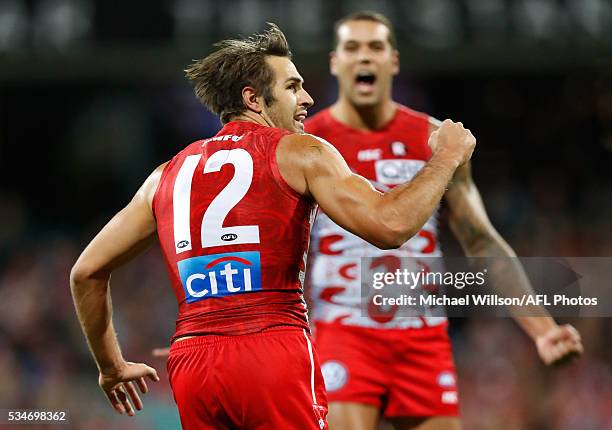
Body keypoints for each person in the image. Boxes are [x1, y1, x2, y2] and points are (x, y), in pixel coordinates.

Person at [70, 24, 476, 430]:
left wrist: (111, 367)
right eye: (293, 87)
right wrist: (446, 157)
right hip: (273, 350)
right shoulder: (300, 152)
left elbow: (85, 272)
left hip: (193, 363)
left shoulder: (165, 177)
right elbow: (391, 225)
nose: (308, 99)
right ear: (253, 98)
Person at [303, 11, 584, 430]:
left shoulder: (436, 139)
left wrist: (542, 329)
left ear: (393, 61)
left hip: (421, 338)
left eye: (375, 47)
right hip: (343, 331)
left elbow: (481, 241)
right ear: (334, 61)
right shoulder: (307, 144)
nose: (365, 57)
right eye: (352, 47)